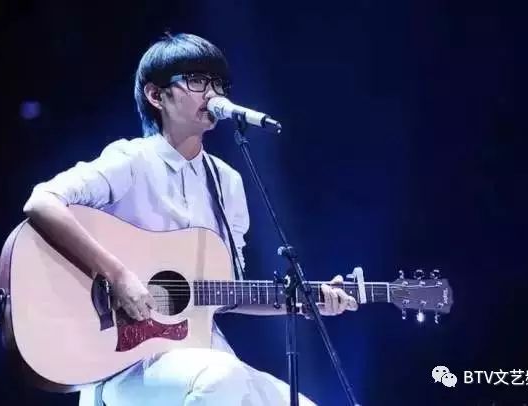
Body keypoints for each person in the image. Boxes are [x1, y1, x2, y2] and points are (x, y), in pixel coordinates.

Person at [23, 32, 358, 406]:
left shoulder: (227, 182)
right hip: (125, 364)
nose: (212, 94)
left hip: (201, 353)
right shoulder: (131, 161)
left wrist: (304, 300)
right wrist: (118, 275)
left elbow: (228, 293)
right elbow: (43, 201)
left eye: (218, 83)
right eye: (197, 81)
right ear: (156, 95)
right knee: (221, 379)